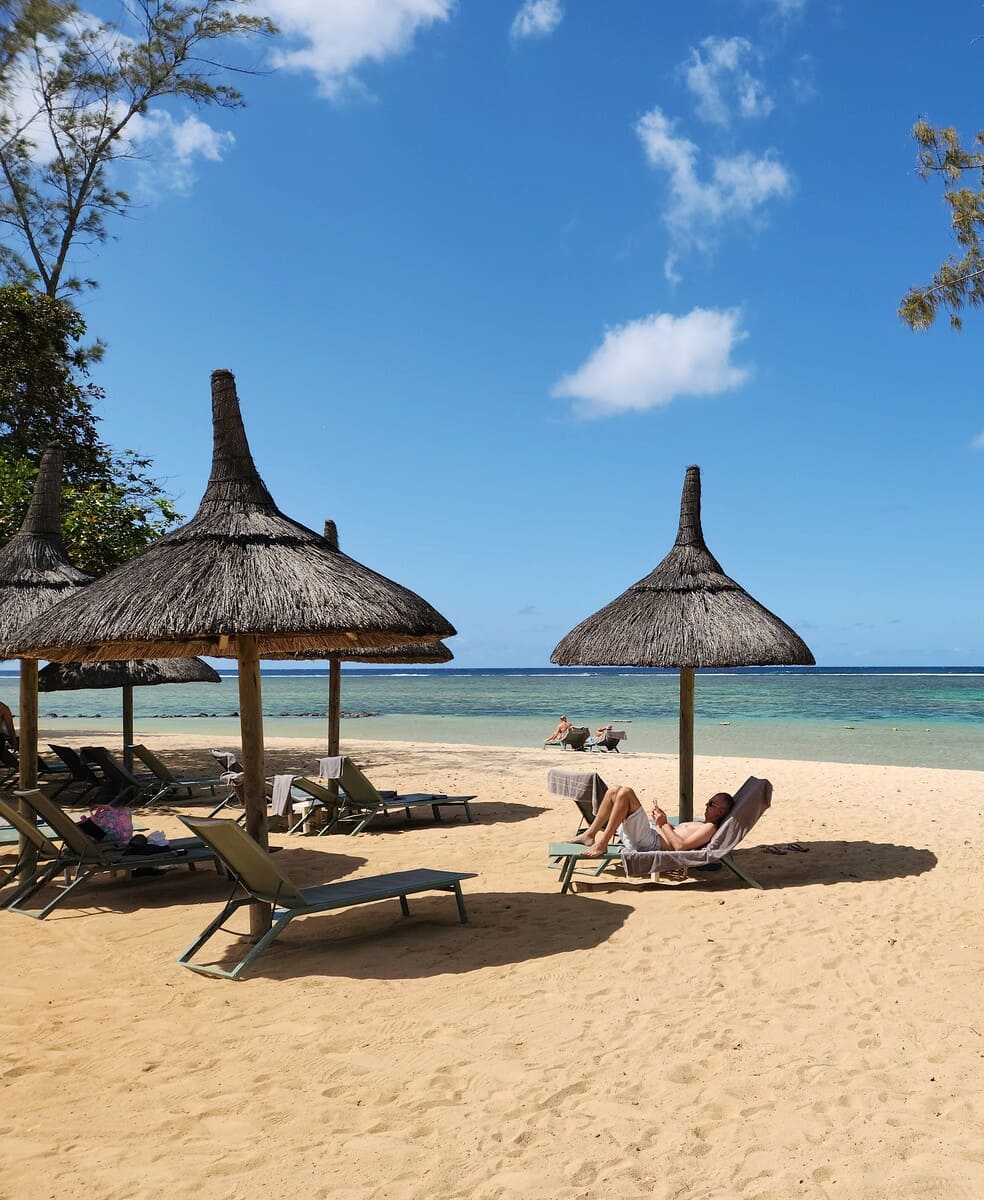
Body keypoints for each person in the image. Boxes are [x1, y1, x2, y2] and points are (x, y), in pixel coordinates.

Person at [574, 786, 733, 858]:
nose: (706, 805)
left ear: (721, 812)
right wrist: (662, 821)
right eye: (708, 802)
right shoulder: (702, 824)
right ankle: (590, 834)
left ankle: (602, 844)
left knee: (626, 793)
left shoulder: (710, 828)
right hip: (647, 835)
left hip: (649, 842)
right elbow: (675, 836)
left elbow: (680, 847)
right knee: (614, 790)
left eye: (711, 804)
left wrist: (663, 823)